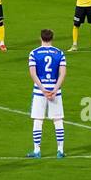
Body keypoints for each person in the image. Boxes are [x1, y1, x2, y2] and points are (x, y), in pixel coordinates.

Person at [27, 28, 67, 159]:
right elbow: (63, 73)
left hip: (40, 91)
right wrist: (55, 89)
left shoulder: (34, 53)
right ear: (52, 38)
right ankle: (60, 151)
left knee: (38, 120)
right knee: (58, 120)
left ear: (40, 38)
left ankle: (37, 151)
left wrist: (43, 89)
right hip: (55, 91)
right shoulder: (59, 53)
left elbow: (33, 73)